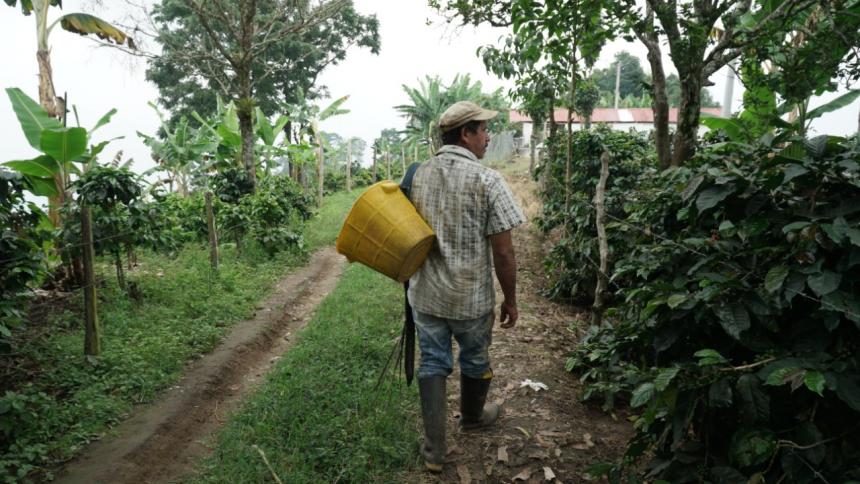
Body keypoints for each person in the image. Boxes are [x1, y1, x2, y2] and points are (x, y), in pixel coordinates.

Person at [404, 100, 525, 472]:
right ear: (465, 134)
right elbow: (503, 254)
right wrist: (511, 300)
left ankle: (434, 451)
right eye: (483, 130)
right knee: (474, 359)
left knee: (433, 362)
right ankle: (473, 416)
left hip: (426, 294)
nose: (488, 137)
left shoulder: (418, 174)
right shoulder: (487, 180)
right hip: (470, 299)